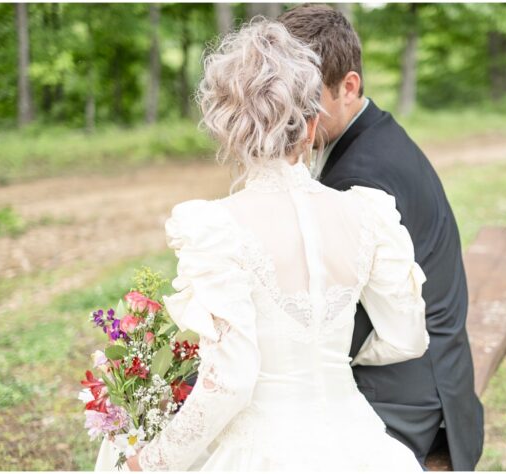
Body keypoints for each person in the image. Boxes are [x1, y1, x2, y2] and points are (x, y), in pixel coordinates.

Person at [97, 20, 429, 471]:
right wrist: (329, 364)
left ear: (229, 132)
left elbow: (230, 382)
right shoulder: (367, 215)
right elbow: (405, 336)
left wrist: (152, 462)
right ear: (311, 125)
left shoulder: (216, 228)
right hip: (359, 442)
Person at [278, 4, 484, 469]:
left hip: (408, 395)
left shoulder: (359, 178)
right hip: (439, 364)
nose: (291, 117)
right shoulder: (375, 134)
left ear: (348, 87)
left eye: (304, 101)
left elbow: (339, 323)